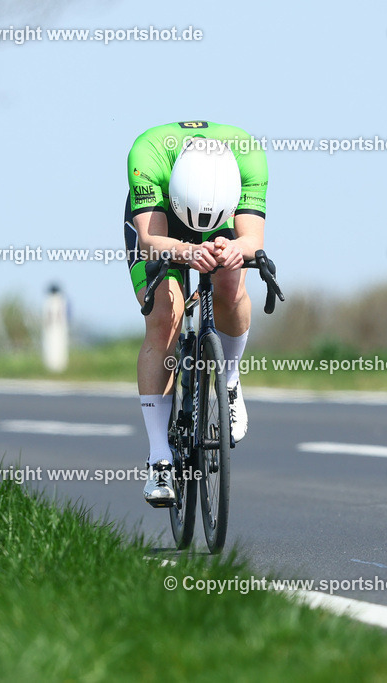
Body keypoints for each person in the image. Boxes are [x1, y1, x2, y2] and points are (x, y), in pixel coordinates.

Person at [122, 121, 267, 507]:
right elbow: (151, 241)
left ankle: (230, 381)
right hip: (160, 224)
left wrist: (237, 250)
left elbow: (253, 239)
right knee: (164, 316)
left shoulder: (247, 154)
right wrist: (185, 252)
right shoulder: (148, 154)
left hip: (222, 224)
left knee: (232, 287)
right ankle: (159, 459)